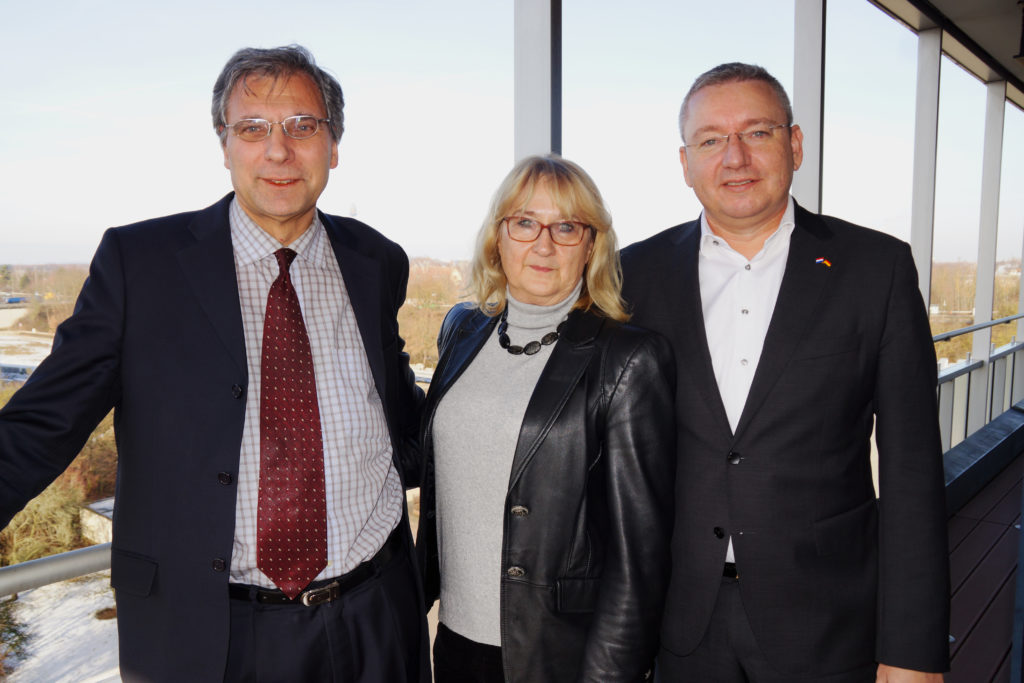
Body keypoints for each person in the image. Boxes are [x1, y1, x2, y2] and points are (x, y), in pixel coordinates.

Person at [0, 45, 429, 683]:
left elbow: (396, 409)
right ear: (223, 144)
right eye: (252, 128)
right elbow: (41, 426)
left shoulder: (375, 261)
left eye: (302, 127)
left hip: (375, 618)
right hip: (211, 636)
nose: (278, 151)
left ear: (333, 145)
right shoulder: (139, 264)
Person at [620, 63, 949, 682]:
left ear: (795, 145)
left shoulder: (875, 270)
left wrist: (913, 651)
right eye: (711, 140)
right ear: (685, 162)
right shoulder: (633, 275)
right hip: (680, 624)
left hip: (828, 620)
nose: (735, 157)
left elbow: (912, 475)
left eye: (759, 132)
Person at [415, 154, 676, 682]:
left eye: (566, 227)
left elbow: (640, 558)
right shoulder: (463, 331)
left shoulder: (627, 359)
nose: (543, 244)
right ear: (499, 237)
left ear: (591, 245)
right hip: (455, 640)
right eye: (525, 222)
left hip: (561, 656)